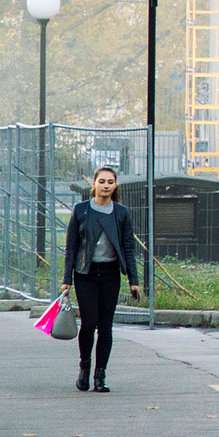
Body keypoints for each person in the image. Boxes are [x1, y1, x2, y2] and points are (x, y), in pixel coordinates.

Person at [61, 167, 144, 393]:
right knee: (88, 323)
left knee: (105, 327)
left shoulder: (121, 213)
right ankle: (84, 368)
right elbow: (72, 247)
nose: (106, 185)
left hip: (110, 275)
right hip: (85, 274)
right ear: (94, 184)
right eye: (102, 181)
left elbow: (128, 247)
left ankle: (100, 375)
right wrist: (66, 279)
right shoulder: (81, 211)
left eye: (110, 182)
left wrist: (133, 280)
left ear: (115, 186)